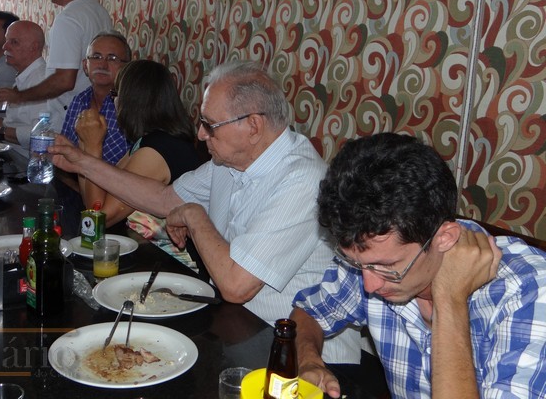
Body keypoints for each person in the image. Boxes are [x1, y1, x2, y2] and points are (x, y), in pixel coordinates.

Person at [50, 61, 363, 364]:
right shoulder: (229, 161)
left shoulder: (302, 180)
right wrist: (83, 162)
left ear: (253, 126)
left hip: (299, 357)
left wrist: (194, 215)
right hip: (240, 330)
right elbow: (163, 198)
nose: (200, 134)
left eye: (210, 125)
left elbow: (236, 286)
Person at [291, 133, 546, 399]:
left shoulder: (530, 293)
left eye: (388, 267)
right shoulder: (370, 258)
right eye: (356, 263)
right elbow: (309, 313)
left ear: (444, 238)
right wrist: (308, 361)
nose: (370, 285)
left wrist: (449, 298)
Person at [0, 0, 113, 130]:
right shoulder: (100, 11)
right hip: (94, 113)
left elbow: (64, 80)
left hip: (70, 118)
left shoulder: (68, 18)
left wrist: (19, 97)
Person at [75, 59, 202, 227]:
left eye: (115, 93)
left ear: (130, 100)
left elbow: (98, 219)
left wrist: (92, 147)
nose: (114, 101)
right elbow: (93, 198)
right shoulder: (148, 140)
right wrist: (84, 144)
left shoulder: (158, 150)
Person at [0, 20, 48, 157]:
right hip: (13, 155)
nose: (5, 46)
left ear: (34, 47)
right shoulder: (24, 75)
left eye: (14, 42)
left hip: (28, 162)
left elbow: (42, 133)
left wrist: (0, 130)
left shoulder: (41, 81)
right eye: (6, 41)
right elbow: (20, 122)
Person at [60, 31, 131, 166]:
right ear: (85, 65)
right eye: (96, 57)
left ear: (127, 67)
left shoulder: (133, 107)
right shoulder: (79, 101)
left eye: (112, 58)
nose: (102, 65)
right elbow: (64, 154)